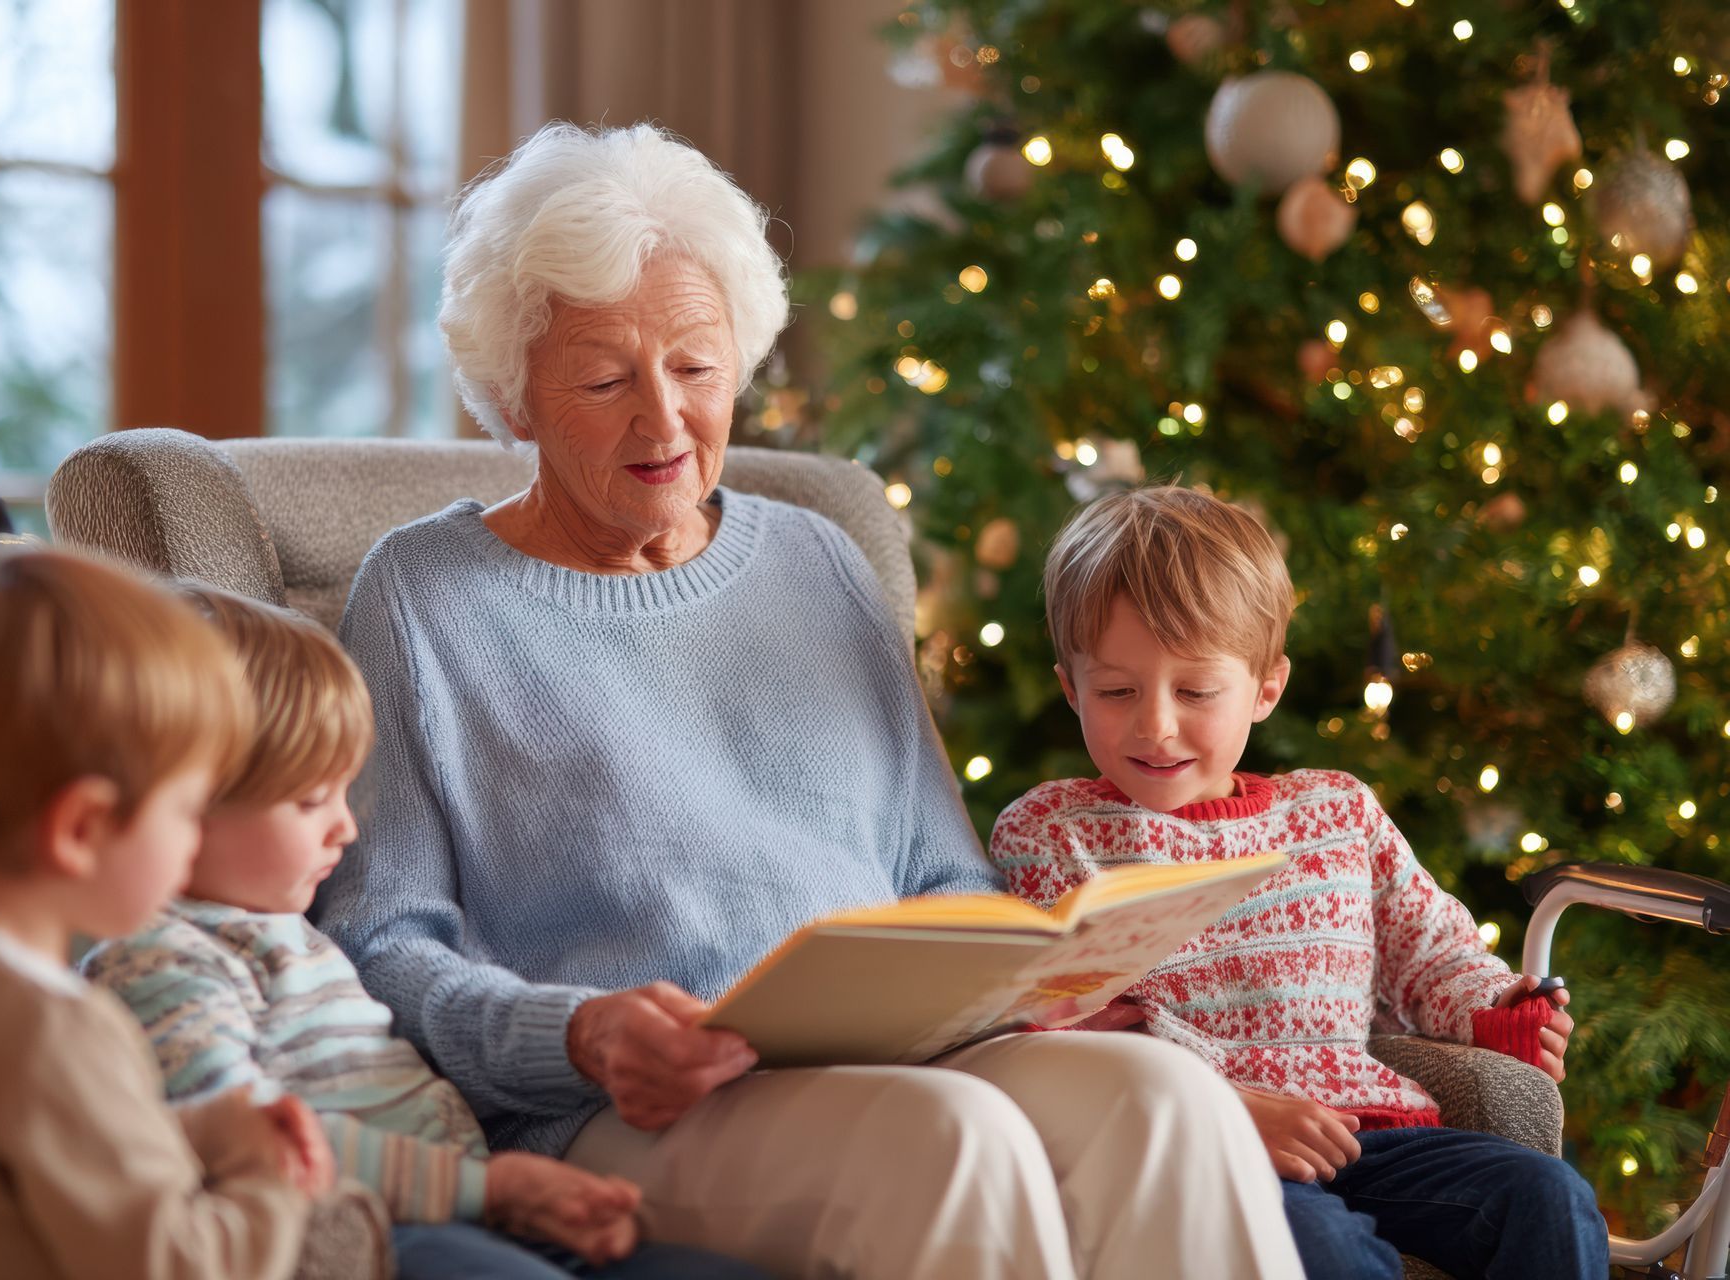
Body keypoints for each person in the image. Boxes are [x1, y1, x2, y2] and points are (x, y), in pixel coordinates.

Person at [312, 120, 1304, 1279]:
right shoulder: (427, 598)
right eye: (602, 378)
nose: (664, 419)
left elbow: (941, 872)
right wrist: (577, 1032)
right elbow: (379, 943)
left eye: (695, 365)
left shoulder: (816, 562)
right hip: (637, 1111)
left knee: (1164, 1096)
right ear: (514, 394)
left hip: (900, 1057)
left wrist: (1015, 967)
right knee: (952, 1137)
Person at [989, 483, 1610, 1280]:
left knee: (1547, 1198)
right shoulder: (1050, 833)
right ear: (1071, 687)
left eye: (1196, 692)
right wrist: (1220, 1110)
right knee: (1324, 1251)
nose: (1154, 725)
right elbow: (1069, 1027)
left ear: (1266, 687)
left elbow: (1432, 949)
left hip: (1372, 1135)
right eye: (1115, 691)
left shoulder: (1338, 813)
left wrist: (1499, 1011)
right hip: (1204, 1150)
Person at [86, 584, 769, 1280]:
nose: (346, 829)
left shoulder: (287, 934)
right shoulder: (160, 963)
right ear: (175, 807)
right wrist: (492, 1188)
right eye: (310, 800)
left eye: (344, 794)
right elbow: (252, 1146)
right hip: (355, 1241)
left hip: (465, 1214)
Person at [0, 550, 328, 1280]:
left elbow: (35, 1159)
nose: (193, 842)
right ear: (82, 829)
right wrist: (267, 1179)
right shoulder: (55, 1031)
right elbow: (180, 1268)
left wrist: (203, 1129)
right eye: (185, 811)